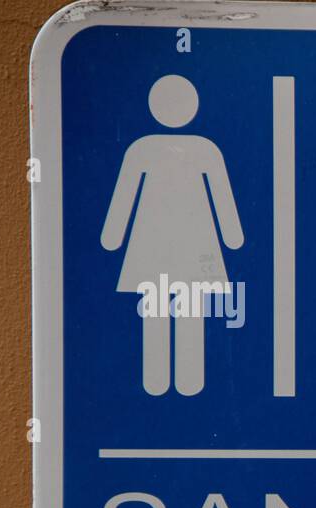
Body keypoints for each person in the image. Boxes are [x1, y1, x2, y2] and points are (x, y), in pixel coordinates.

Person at [101, 74, 244, 396]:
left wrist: (113, 237)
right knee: (168, 308)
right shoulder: (196, 149)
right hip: (179, 244)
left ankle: (175, 380)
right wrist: (232, 236)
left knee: (173, 309)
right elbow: (126, 194)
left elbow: (220, 194)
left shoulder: (150, 149)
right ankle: (168, 380)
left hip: (166, 246)